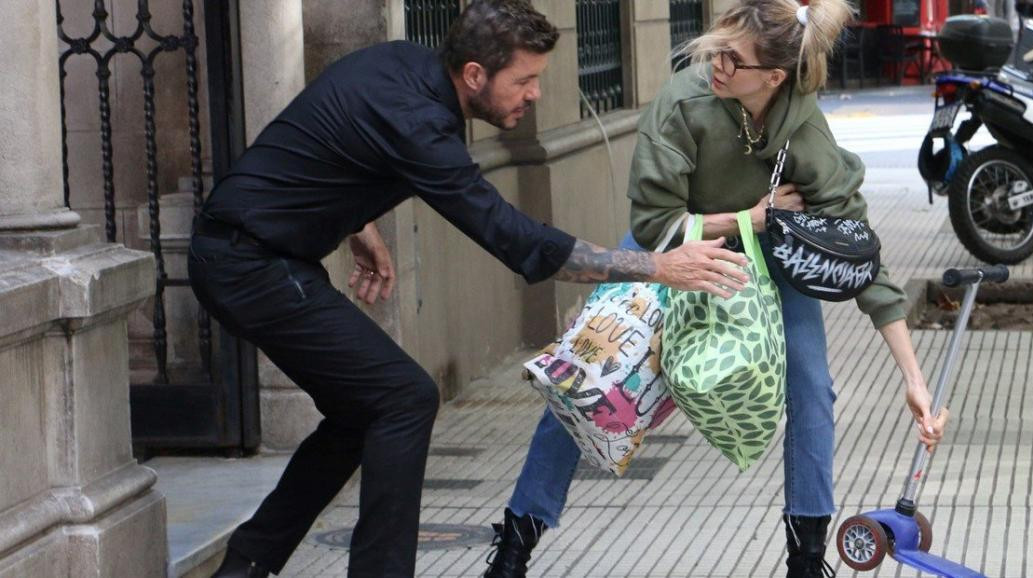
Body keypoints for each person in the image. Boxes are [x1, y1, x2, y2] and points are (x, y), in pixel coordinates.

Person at [191, 1, 753, 577]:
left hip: (260, 253)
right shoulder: (420, 125)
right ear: (475, 75)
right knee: (403, 397)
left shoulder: (404, 68)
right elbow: (513, 238)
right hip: (248, 264)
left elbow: (325, 142)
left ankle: (246, 564)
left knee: (361, 413)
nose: (534, 95)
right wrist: (657, 267)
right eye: (525, 80)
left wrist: (357, 223)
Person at [483, 1, 950, 577]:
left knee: (812, 392)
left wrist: (914, 379)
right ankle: (514, 545)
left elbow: (860, 256)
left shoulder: (806, 135)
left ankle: (806, 559)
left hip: (770, 261)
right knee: (587, 376)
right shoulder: (685, 100)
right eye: (717, 48)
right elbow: (655, 224)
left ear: (774, 78)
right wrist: (745, 219)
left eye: (734, 58)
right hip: (673, 250)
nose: (716, 64)